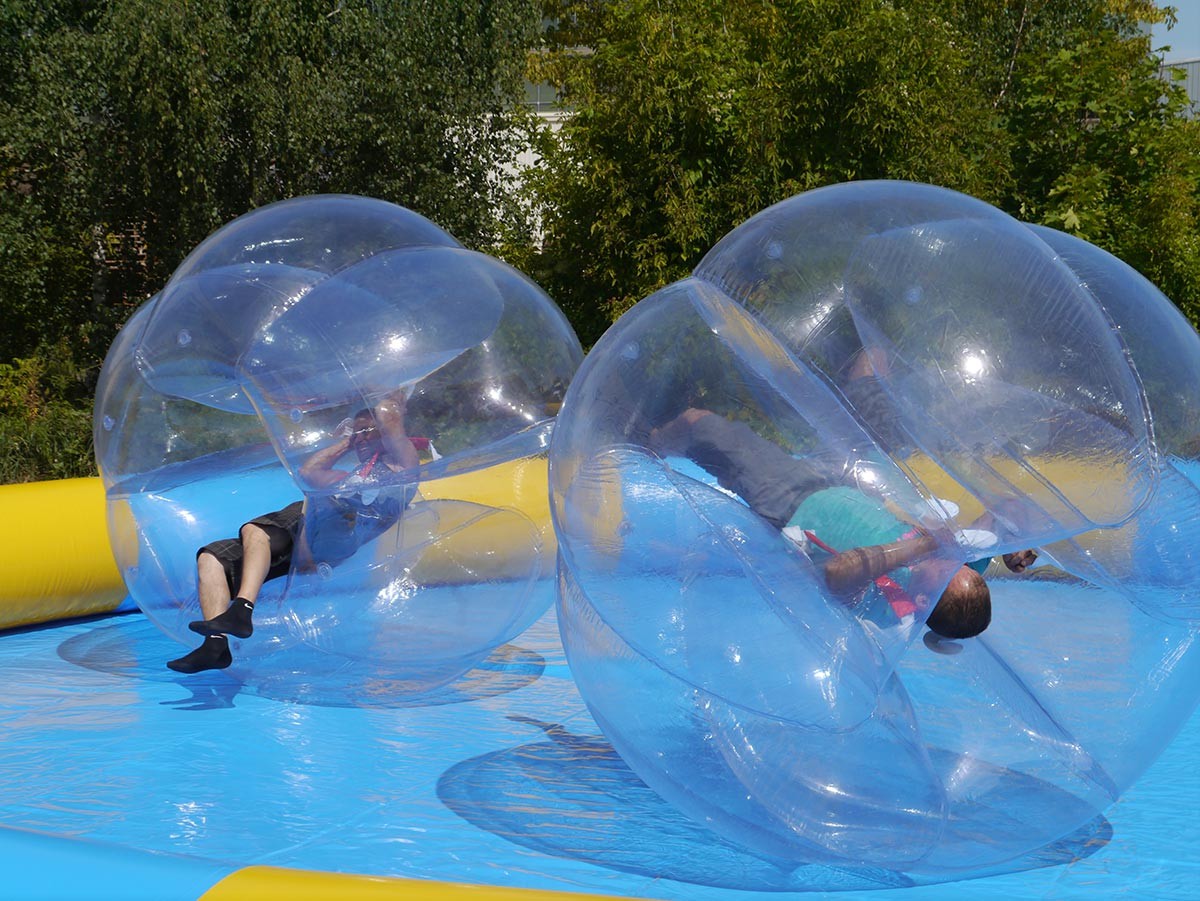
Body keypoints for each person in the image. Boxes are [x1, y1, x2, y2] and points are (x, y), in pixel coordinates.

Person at [649, 408, 1036, 639]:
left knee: (700, 424)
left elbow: (836, 573)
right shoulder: (957, 573)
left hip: (790, 506)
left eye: (946, 571)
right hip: (838, 485)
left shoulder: (886, 608)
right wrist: (1016, 541)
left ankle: (640, 447)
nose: (954, 562)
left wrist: (923, 545)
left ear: (924, 600)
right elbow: (1009, 506)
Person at [167, 390, 421, 674]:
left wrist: (388, 394)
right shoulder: (350, 476)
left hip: (335, 525)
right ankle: (215, 647)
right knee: (212, 557)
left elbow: (389, 419)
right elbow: (309, 472)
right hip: (310, 530)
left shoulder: (401, 467)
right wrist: (347, 442)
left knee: (256, 529)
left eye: (367, 432)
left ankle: (241, 610)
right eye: (357, 432)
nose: (360, 438)